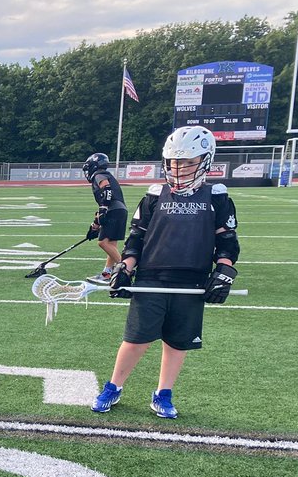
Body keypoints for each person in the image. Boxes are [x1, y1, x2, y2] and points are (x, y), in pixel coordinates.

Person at [92, 126, 240, 419]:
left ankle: (163, 393)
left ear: (205, 160)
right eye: (173, 162)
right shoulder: (154, 195)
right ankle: (113, 386)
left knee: (177, 342)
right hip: (151, 277)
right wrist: (125, 268)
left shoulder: (218, 197)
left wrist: (224, 272)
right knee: (136, 339)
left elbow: (227, 243)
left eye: (186, 162)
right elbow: (136, 240)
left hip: (192, 280)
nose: (178, 168)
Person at [81, 152, 128, 283]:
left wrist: (104, 209)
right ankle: (107, 274)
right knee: (111, 243)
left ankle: (125, 271)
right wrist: (94, 226)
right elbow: (104, 203)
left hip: (114, 210)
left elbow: (106, 189)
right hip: (120, 210)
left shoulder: (99, 175)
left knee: (103, 243)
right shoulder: (107, 174)